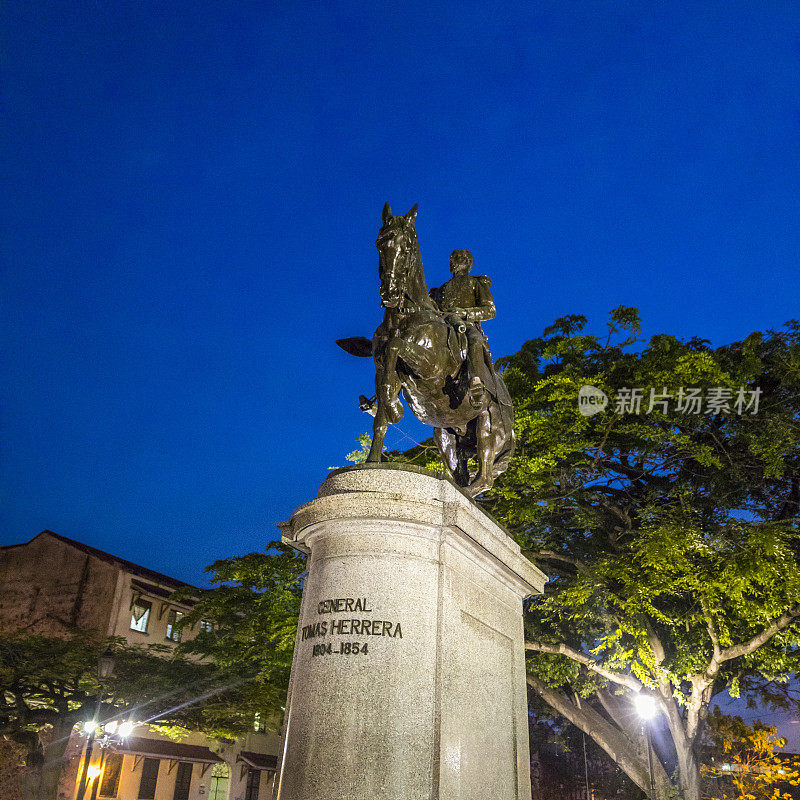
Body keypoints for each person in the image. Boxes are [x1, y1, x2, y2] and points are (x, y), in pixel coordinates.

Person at [430, 249, 496, 408]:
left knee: (474, 339)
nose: (452, 262)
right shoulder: (441, 289)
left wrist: (465, 313)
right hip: (443, 327)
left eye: (457, 258)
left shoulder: (476, 283)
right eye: (451, 259)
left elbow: (490, 310)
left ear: (468, 263)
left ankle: (475, 381)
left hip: (466, 326)